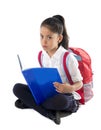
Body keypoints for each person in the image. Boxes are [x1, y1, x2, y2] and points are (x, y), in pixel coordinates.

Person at [13, 15, 83, 125]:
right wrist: (34, 83)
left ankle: (33, 104)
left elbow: (80, 83)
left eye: (49, 37)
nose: (44, 41)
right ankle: (49, 113)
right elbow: (44, 78)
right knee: (17, 88)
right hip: (48, 93)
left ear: (59, 38)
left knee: (60, 101)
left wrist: (69, 87)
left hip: (65, 96)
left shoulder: (68, 58)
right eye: (41, 36)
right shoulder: (41, 55)